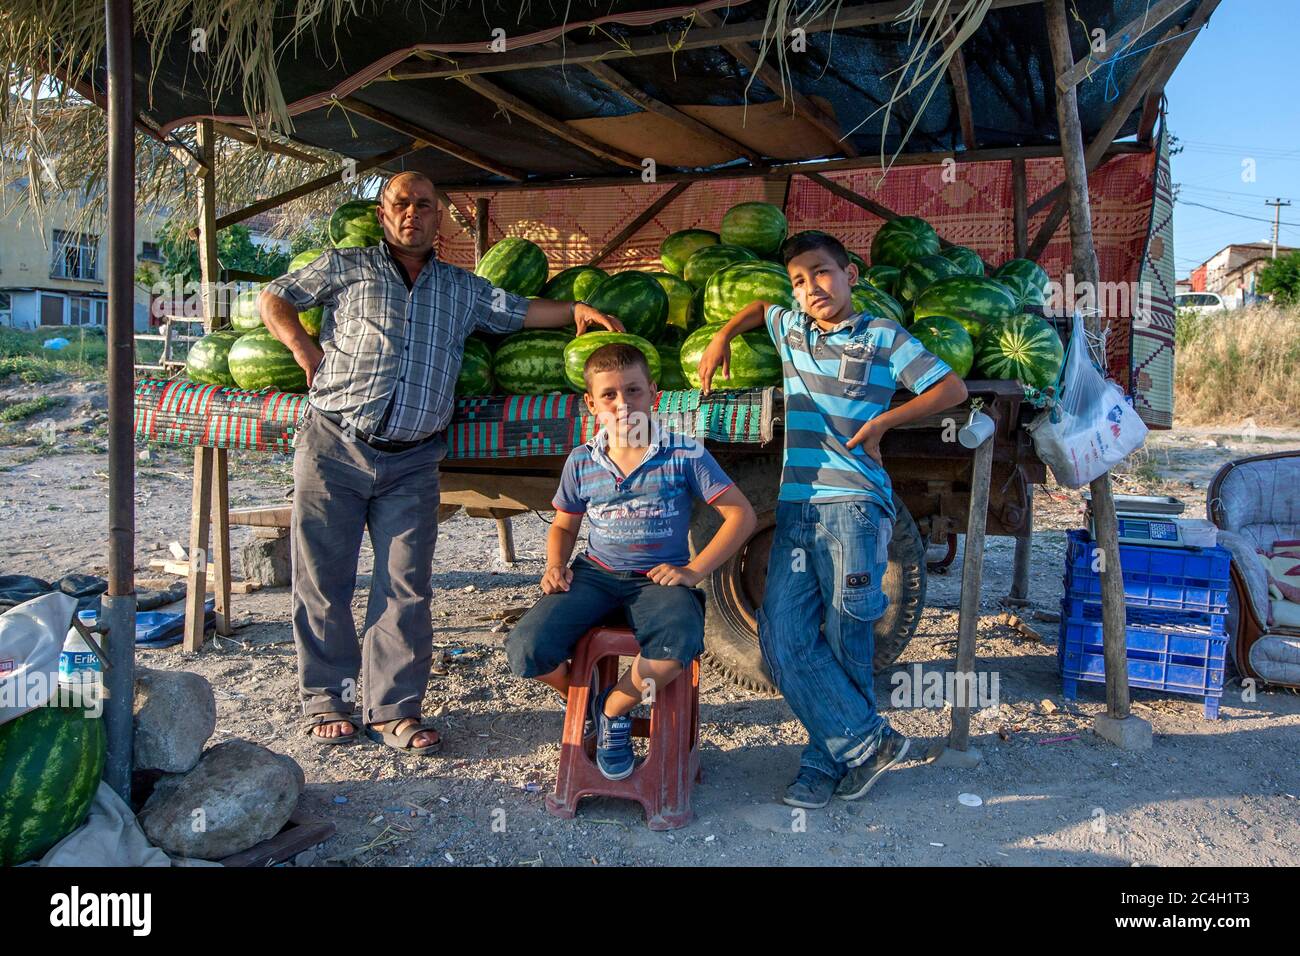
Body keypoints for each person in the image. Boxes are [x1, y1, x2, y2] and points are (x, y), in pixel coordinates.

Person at [259, 171, 622, 754]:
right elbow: (274, 295)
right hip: (334, 444)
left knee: (406, 586)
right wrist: (302, 346)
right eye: (400, 204)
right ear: (383, 215)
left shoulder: (462, 287)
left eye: (424, 205)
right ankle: (327, 698)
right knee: (323, 580)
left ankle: (394, 710)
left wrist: (578, 308)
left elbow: (524, 310)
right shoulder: (344, 264)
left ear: (439, 220)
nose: (411, 214)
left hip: (414, 458)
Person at [698, 230, 968, 807]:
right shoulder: (790, 329)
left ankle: (825, 765)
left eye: (821, 273)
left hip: (855, 508)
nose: (811, 287)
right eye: (799, 280)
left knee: (848, 638)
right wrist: (720, 338)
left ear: (849, 274)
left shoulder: (879, 335)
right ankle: (869, 742)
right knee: (781, 637)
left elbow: (951, 387)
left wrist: (886, 422)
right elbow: (757, 308)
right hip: (796, 506)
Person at [505, 343, 755, 779]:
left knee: (677, 646)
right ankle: (584, 696)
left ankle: (613, 708)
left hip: (657, 583)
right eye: (609, 395)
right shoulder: (582, 461)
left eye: (634, 391)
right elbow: (563, 526)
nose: (623, 405)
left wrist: (694, 571)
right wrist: (554, 564)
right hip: (596, 575)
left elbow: (742, 514)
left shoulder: (683, 454)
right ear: (592, 403)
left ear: (653, 394)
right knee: (526, 649)